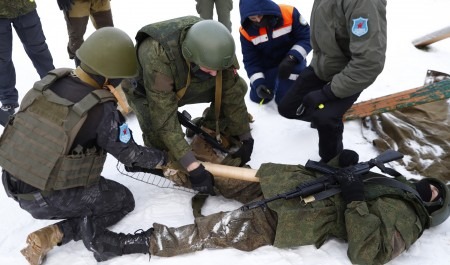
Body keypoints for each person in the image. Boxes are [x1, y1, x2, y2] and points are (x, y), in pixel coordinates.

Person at [81, 149, 450, 264]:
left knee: (214, 229)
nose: (429, 190)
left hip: (295, 216)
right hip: (287, 183)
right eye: (430, 185)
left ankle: (126, 244)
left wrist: (354, 199)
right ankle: (155, 166)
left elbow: (369, 253)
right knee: (211, 177)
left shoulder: (410, 217)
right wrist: (342, 163)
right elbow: (345, 177)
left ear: (433, 212)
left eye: (434, 195)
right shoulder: (393, 179)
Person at [0, 27, 167, 265]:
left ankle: (49, 235)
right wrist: (164, 159)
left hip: (15, 185)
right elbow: (131, 155)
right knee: (122, 199)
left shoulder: (48, 83)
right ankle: (98, 242)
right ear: (109, 77)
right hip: (45, 196)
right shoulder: (101, 108)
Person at [123, 17, 257, 200]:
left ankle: (207, 131)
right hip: (147, 92)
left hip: (188, 78)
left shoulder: (219, 48)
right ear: (190, 55)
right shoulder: (157, 55)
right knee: (164, 148)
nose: (215, 74)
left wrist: (244, 136)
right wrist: (192, 167)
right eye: (210, 69)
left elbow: (231, 92)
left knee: (238, 87)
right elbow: (164, 117)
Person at [278, 0, 387, 163]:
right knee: (288, 107)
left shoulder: (363, 3)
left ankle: (332, 160)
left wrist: (326, 93)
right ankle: (320, 118)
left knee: (326, 117)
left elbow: (369, 63)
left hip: (350, 74)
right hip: (321, 66)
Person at [239, 0, 311, 105]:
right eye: (253, 18)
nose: (258, 20)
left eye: (260, 15)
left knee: (285, 100)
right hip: (268, 65)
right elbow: (251, 61)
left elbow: (307, 38)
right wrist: (259, 84)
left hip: (292, 61)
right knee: (258, 97)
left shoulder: (289, 13)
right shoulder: (246, 31)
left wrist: (292, 58)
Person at [0, 0, 55, 115]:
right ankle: (8, 100)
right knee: (2, 59)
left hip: (25, 8)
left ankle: (53, 86)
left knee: (39, 49)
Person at [56, 0, 114, 66]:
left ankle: (110, 66)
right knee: (76, 39)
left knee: (109, 33)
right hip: (76, 2)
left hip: (100, 1)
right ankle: (81, 70)